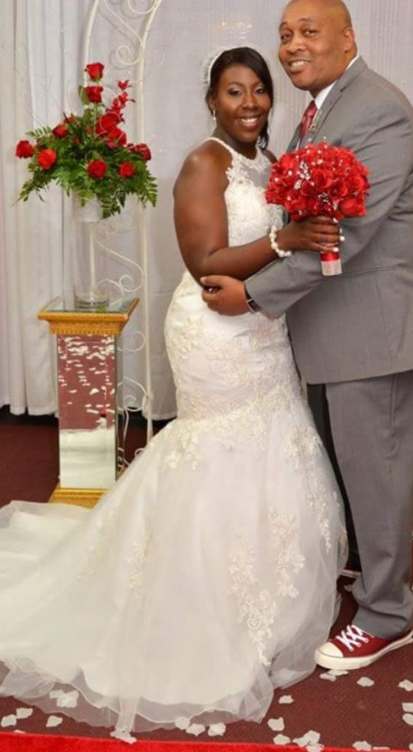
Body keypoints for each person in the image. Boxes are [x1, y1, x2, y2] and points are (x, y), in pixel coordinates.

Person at [0, 46, 346, 736]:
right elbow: (205, 260)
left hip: (262, 326)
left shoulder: (270, 163)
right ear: (211, 99)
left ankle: (267, 597)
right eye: (234, 91)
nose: (250, 103)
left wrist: (302, 237)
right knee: (215, 448)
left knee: (274, 437)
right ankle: (198, 593)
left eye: (259, 90)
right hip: (213, 330)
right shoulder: (203, 164)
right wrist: (285, 240)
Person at [202, 0, 413, 673]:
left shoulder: (378, 110)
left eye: (308, 31)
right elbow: (304, 224)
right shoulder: (323, 110)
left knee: (380, 474)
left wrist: (254, 296)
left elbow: (346, 234)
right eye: (284, 34)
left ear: (348, 37)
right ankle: (369, 567)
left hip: (377, 328)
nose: (292, 46)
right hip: (334, 327)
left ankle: (387, 613)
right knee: (352, 469)